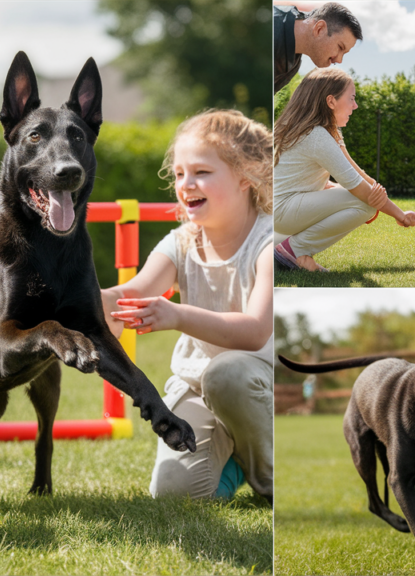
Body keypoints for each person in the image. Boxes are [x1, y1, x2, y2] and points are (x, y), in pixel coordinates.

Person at [101, 109, 273, 503]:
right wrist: (96, 302)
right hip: (198, 387)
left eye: (201, 172)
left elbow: (254, 330)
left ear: (246, 176)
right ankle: (235, 461)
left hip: (257, 384)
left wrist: (177, 315)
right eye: (179, 174)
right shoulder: (180, 243)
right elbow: (133, 291)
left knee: (227, 373)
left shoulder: (269, 241)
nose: (185, 184)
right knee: (173, 494)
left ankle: (268, 476)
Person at [273, 67, 415, 272]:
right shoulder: (316, 136)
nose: (356, 105)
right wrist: (400, 215)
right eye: (351, 98)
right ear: (331, 101)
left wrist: (393, 206)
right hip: (282, 213)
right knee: (366, 202)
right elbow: (359, 189)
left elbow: (356, 173)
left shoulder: (319, 130)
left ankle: (280, 245)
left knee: (360, 195)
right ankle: (295, 250)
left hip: (277, 214)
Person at [275, 2, 362, 94]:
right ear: (319, 29)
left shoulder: (292, 65)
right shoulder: (271, 27)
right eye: (340, 47)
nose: (339, 60)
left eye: (344, 53)